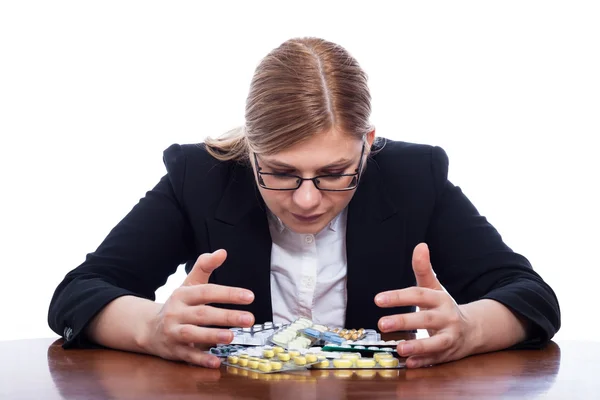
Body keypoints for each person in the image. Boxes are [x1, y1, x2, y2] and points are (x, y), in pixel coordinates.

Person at [48, 37, 560, 370]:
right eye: (280, 173)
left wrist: (469, 330)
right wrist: (151, 327)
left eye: (337, 173)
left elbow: (532, 297)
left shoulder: (414, 177)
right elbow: (77, 295)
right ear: (250, 150)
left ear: (368, 143)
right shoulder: (199, 178)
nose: (309, 199)